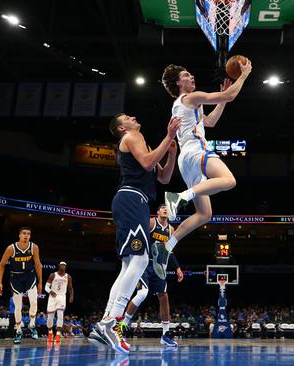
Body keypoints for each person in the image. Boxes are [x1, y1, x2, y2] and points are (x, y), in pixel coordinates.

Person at [93, 113, 179, 354]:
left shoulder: (144, 142)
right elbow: (149, 163)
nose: (133, 116)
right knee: (140, 260)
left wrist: (172, 153)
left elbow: (163, 176)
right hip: (132, 198)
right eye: (127, 117)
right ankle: (112, 322)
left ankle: (105, 321)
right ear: (122, 128)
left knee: (128, 265)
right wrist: (169, 135)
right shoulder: (133, 135)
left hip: (135, 201)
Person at [160, 60, 252, 253]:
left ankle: (167, 247)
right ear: (178, 83)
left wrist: (222, 101)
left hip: (185, 160)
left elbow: (210, 122)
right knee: (228, 180)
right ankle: (180, 197)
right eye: (186, 75)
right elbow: (230, 95)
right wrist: (243, 75)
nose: (191, 76)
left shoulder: (180, 105)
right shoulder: (191, 97)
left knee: (204, 214)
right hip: (195, 150)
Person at [120, 204, 184, 347]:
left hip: (159, 265)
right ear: (158, 212)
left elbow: (170, 250)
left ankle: (165, 335)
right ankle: (122, 326)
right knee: (142, 293)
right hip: (144, 262)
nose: (165, 210)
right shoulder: (150, 222)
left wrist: (178, 267)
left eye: (167, 208)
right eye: (162, 208)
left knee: (164, 296)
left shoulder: (171, 230)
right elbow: (138, 236)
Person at [0, 227, 43, 344]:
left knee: (34, 302)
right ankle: (18, 331)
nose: (26, 235)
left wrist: (40, 282)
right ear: (19, 235)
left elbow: (38, 265)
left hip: (30, 276)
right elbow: (1, 265)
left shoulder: (34, 247)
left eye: (28, 233)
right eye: (24, 233)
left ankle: (32, 325)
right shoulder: (11, 248)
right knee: (18, 306)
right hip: (16, 278)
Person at [45, 261, 74, 343]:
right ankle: (50, 333)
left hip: (62, 296)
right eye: (62, 265)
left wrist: (71, 296)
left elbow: (70, 288)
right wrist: (50, 292)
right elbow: (46, 287)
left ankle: (57, 335)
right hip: (52, 296)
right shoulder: (53, 275)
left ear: (66, 267)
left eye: (64, 265)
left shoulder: (68, 277)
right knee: (50, 316)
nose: (63, 266)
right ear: (59, 266)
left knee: (60, 316)